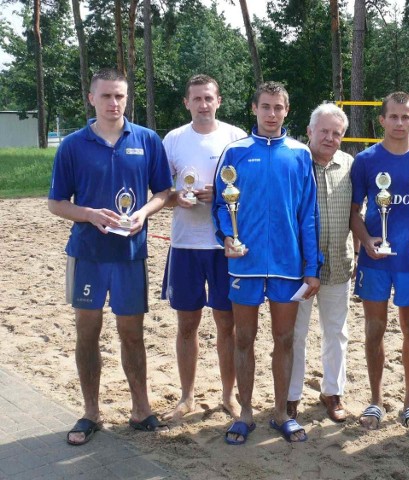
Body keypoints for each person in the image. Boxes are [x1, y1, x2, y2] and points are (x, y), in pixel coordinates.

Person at [48, 68, 173, 445]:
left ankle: (141, 409)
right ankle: (91, 412)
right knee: (87, 332)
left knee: (131, 334)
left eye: (120, 96)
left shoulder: (147, 140)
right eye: (106, 96)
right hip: (87, 253)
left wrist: (143, 214)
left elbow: (163, 192)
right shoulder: (73, 144)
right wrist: (89, 214)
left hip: (130, 254)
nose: (114, 103)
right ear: (92, 98)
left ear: (127, 97)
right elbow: (56, 204)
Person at [212, 81, 322, 444]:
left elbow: (309, 213)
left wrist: (312, 266)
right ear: (254, 109)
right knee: (243, 337)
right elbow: (221, 205)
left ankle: (279, 413)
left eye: (278, 107)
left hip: (288, 265)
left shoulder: (300, 154)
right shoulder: (236, 151)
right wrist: (227, 236)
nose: (272, 114)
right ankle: (244, 413)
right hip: (246, 262)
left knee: (285, 338)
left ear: (287, 111)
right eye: (265, 107)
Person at [350, 91, 409, 430]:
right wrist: (365, 240)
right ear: (382, 120)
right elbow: (353, 211)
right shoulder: (366, 160)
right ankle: (375, 400)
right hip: (376, 260)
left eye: (406, 117)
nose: (400, 123)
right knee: (374, 330)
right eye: (394, 116)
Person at [160, 74, 246, 421]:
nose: (203, 104)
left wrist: (222, 198)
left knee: (227, 325)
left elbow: (248, 190)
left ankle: (228, 395)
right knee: (186, 325)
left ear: (219, 100)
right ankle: (187, 396)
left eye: (209, 98)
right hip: (184, 245)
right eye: (196, 99)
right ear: (187, 103)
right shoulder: (174, 139)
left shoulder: (235, 137)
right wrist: (175, 198)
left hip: (222, 245)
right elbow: (160, 193)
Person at [287, 103, 356, 423]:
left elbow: (358, 214)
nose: (329, 138)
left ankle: (332, 391)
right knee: (295, 334)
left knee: (336, 332)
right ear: (310, 131)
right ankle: (290, 397)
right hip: (298, 268)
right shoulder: (295, 163)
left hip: (339, 265)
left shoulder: (349, 165)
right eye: (324, 131)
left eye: (336, 133)